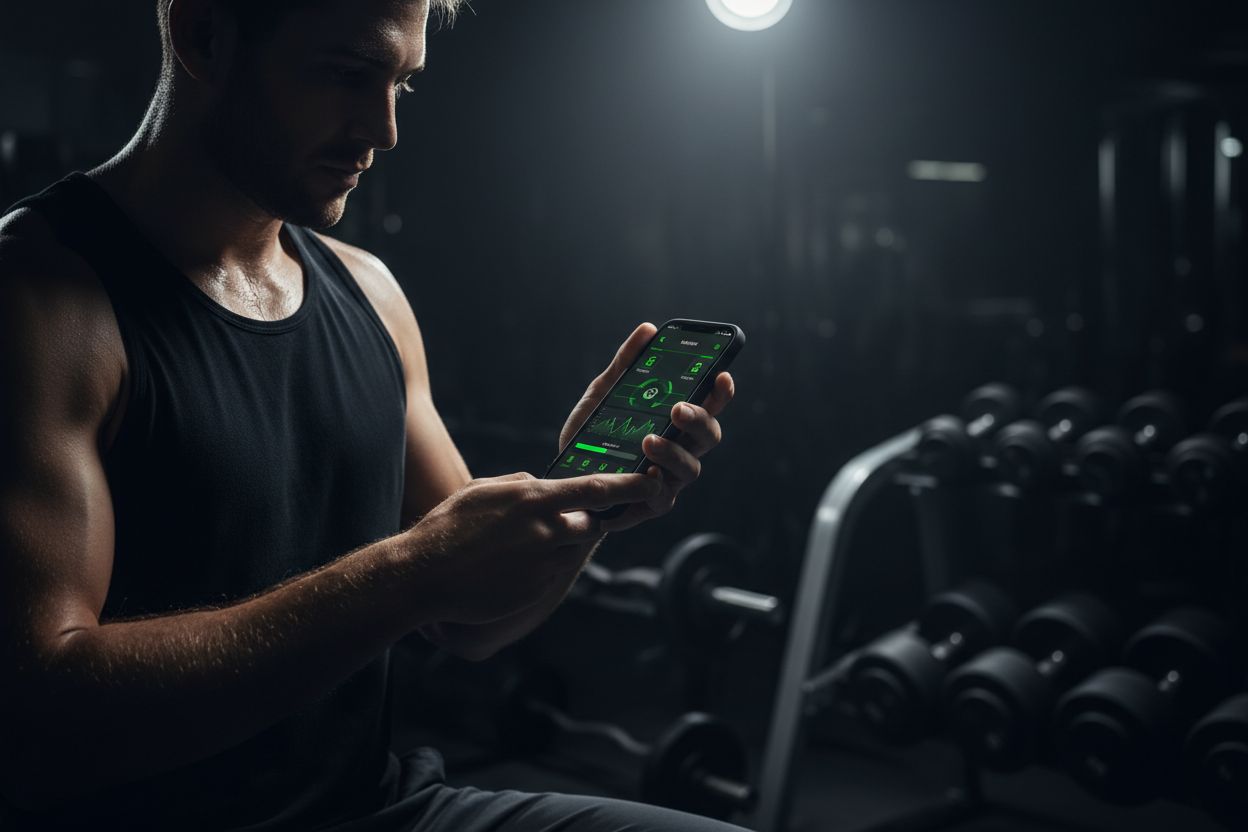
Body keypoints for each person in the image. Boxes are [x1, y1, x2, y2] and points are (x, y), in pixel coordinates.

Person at [0, 0, 742, 830]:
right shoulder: (41, 300)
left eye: (403, 84)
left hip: (381, 809)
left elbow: (471, 623)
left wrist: (591, 508)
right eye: (349, 75)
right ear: (205, 33)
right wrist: (409, 573)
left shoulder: (371, 293)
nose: (384, 128)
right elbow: (41, 715)